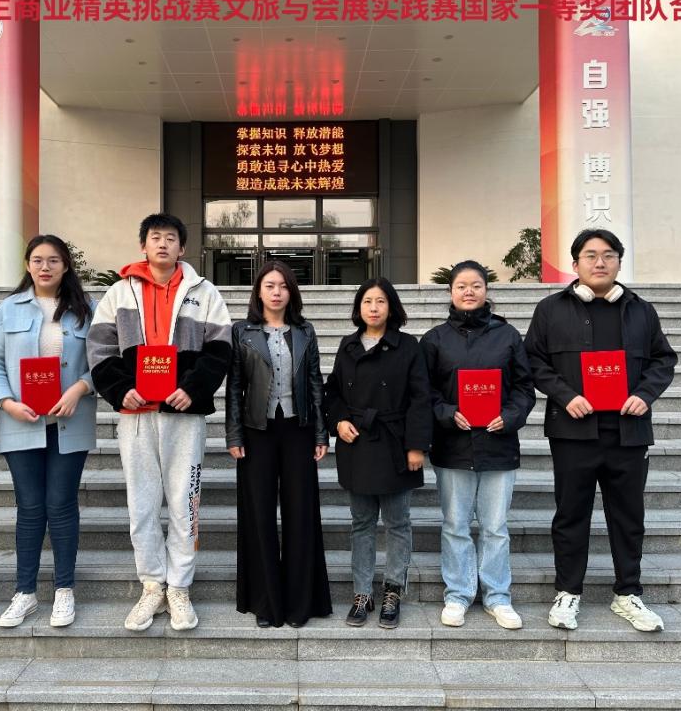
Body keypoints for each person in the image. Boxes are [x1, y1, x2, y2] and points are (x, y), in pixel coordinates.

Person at [524, 229, 677, 632]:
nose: (600, 262)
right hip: (573, 431)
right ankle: (567, 592)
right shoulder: (551, 310)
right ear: (575, 264)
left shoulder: (641, 311)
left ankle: (628, 593)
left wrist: (645, 394)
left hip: (629, 431)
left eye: (608, 255)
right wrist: (564, 395)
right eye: (590, 255)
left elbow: (663, 360)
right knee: (570, 514)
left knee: (628, 516)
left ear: (619, 263)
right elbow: (534, 361)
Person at [86, 213, 232, 632]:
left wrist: (194, 388)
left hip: (184, 415)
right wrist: (119, 390)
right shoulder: (120, 292)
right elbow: (99, 347)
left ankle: (179, 587)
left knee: (186, 502)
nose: (163, 244)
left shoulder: (203, 292)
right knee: (142, 504)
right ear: (144, 246)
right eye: (155, 237)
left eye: (171, 238)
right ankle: (152, 584)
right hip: (136, 415)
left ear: (182, 247)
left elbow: (220, 348)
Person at [0, 235, 97, 629]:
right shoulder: (9, 308)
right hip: (21, 421)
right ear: (27, 264)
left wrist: (80, 388)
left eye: (54, 260)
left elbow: (105, 358)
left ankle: (64, 590)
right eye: (38, 260)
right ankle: (25, 593)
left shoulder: (86, 309)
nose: (45, 267)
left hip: (69, 421)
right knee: (29, 507)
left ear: (66, 265)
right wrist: (5, 401)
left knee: (61, 504)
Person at [420, 260, 535, 630]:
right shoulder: (435, 339)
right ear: (450, 292)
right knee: (455, 524)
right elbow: (424, 391)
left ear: (487, 290)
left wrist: (510, 416)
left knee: (495, 526)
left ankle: (498, 596)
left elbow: (524, 388)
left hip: (498, 444)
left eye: (476, 285)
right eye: (461, 286)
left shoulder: (508, 335)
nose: (469, 291)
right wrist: (446, 412)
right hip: (453, 445)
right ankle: (458, 593)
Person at [226, 260, 332, 629]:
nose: (276, 292)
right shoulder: (242, 332)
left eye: (283, 286)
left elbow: (316, 383)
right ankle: (266, 602)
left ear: (291, 292)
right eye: (269, 285)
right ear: (258, 291)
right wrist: (234, 434)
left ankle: (301, 603)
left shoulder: (304, 331)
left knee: (300, 513)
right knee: (259, 515)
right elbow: (235, 386)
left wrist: (321, 433)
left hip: (298, 429)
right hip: (257, 431)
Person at [324, 277, 433, 629]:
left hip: (395, 442)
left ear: (391, 307)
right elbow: (333, 391)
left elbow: (421, 398)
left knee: (398, 522)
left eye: (381, 301)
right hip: (357, 443)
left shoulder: (408, 346)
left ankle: (392, 590)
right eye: (367, 301)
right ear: (359, 307)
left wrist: (416, 445)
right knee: (362, 522)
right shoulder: (348, 345)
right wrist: (339, 420)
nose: (373, 307)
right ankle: (362, 592)